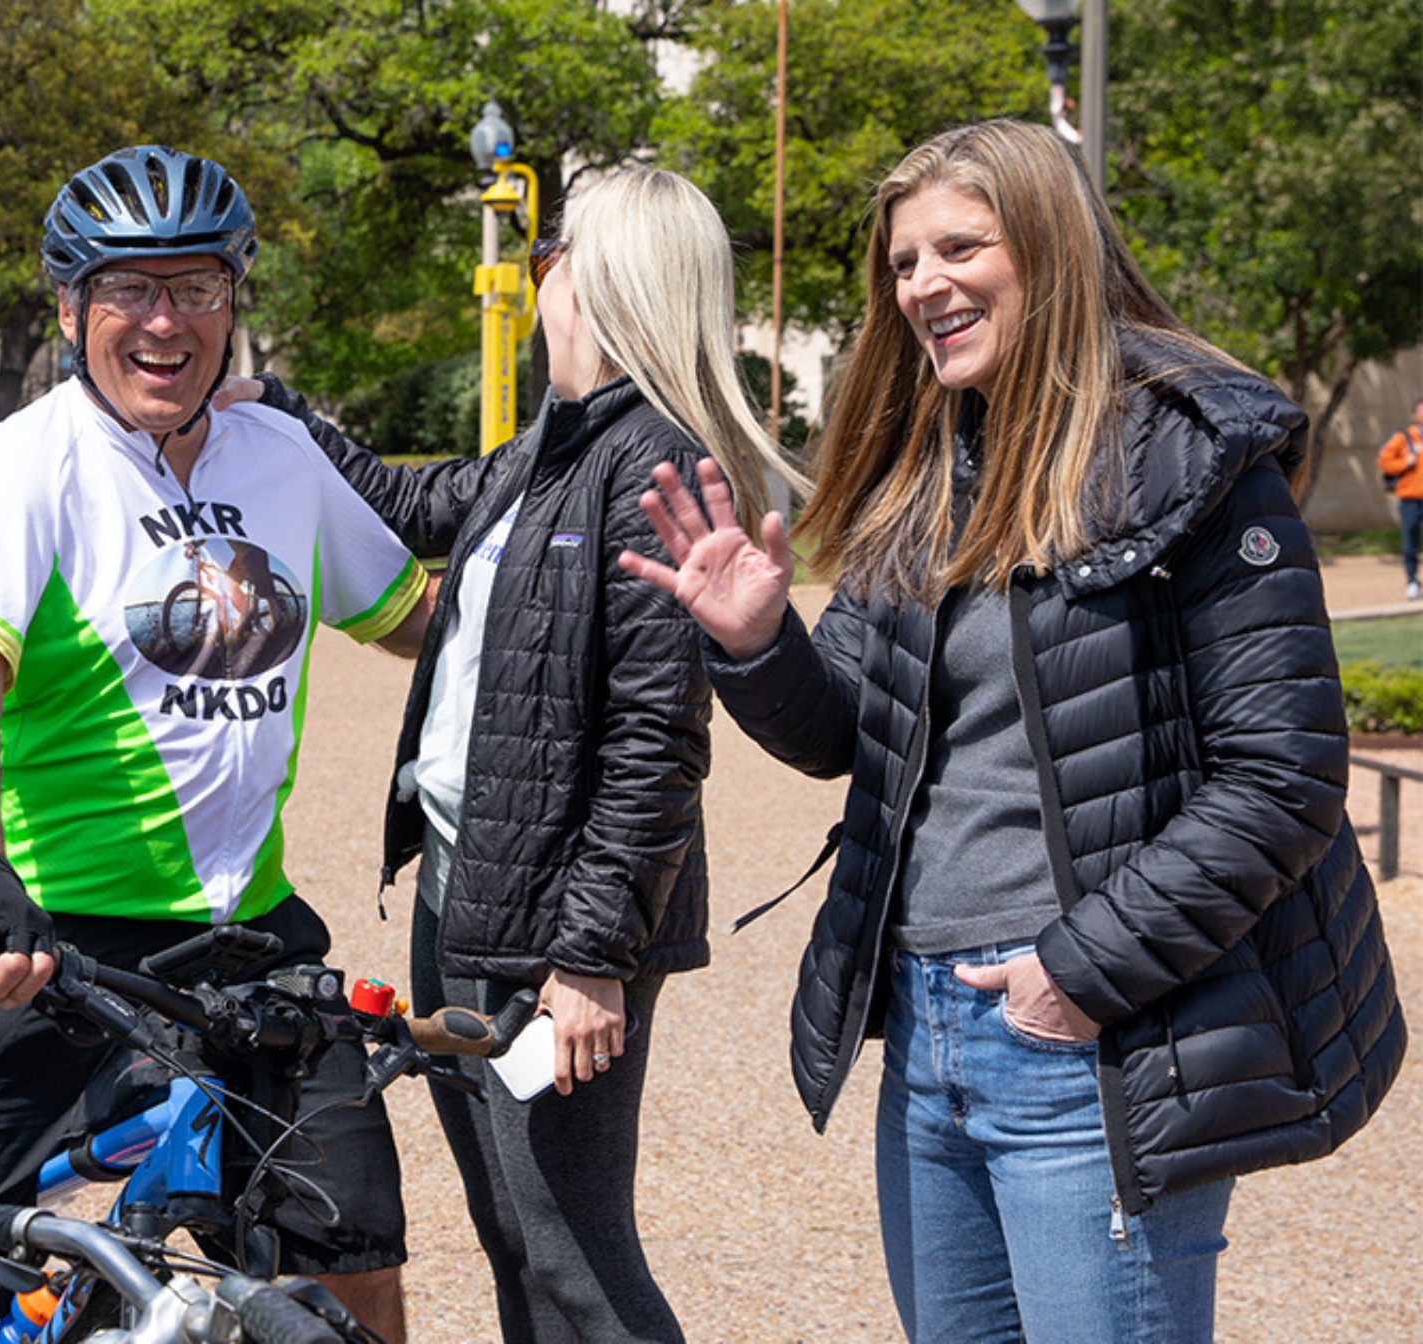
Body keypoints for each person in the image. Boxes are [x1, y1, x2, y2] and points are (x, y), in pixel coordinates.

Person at [621, 119, 1405, 1343]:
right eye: (901, 263)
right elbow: (846, 739)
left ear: (1044, 247)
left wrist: (1075, 978)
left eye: (956, 248)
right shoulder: (924, 469)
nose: (921, 284)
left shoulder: (1190, 453)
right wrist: (754, 643)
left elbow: (1284, 777)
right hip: (926, 1030)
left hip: (1091, 1038)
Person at [0, 144, 434, 1344]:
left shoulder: (284, 458)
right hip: (45, 942)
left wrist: (572, 619)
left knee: (354, 1265)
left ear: (233, 299)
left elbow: (416, 617)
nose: (165, 320)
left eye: (196, 286)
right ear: (69, 307)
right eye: (127, 289)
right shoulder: (22, 464)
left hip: (249, 933)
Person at [232, 166, 804, 1344]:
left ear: (603, 278)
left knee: (575, 1257)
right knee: (509, 1235)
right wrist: (272, 404)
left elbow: (657, 747)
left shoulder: (658, 469)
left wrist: (593, 960)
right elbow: (404, 497)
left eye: (554, 252)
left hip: (559, 934)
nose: (538, 275)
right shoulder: (546, 445)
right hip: (465, 892)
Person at [1378, 395, 1423, 601]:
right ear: (1415, 415)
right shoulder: (1403, 438)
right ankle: (1412, 581)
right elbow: (1384, 461)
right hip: (1410, 498)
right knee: (1410, 542)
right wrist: (1404, 463)